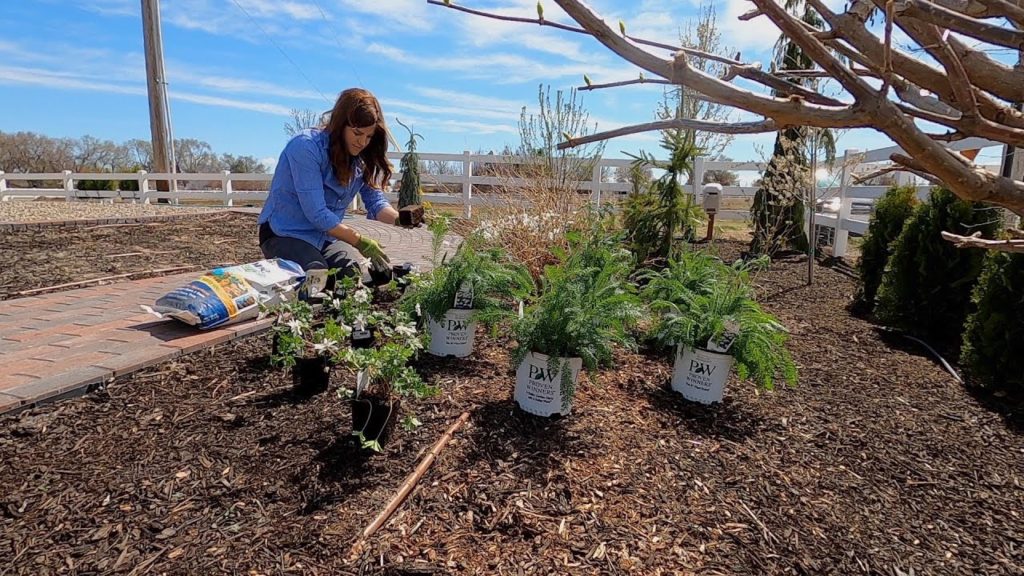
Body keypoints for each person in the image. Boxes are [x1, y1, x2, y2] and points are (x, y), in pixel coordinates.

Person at [258, 87, 402, 284]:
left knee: (350, 275)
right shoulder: (306, 147)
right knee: (316, 274)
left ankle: (340, 311)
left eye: (369, 136)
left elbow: (375, 202)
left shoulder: (360, 158)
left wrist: (401, 220)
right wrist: (359, 241)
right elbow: (316, 213)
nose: (362, 142)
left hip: (323, 237)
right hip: (284, 232)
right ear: (340, 124)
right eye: (357, 133)